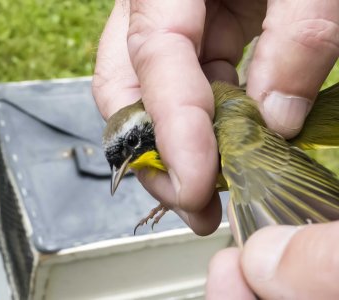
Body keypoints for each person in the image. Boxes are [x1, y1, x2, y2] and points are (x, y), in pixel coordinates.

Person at [92, 1, 339, 299]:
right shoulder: (170, 147)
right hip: (247, 140)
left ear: (147, 128)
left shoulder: (215, 139)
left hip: (266, 132)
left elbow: (259, 184)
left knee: (250, 184)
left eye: (129, 148)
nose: (125, 165)